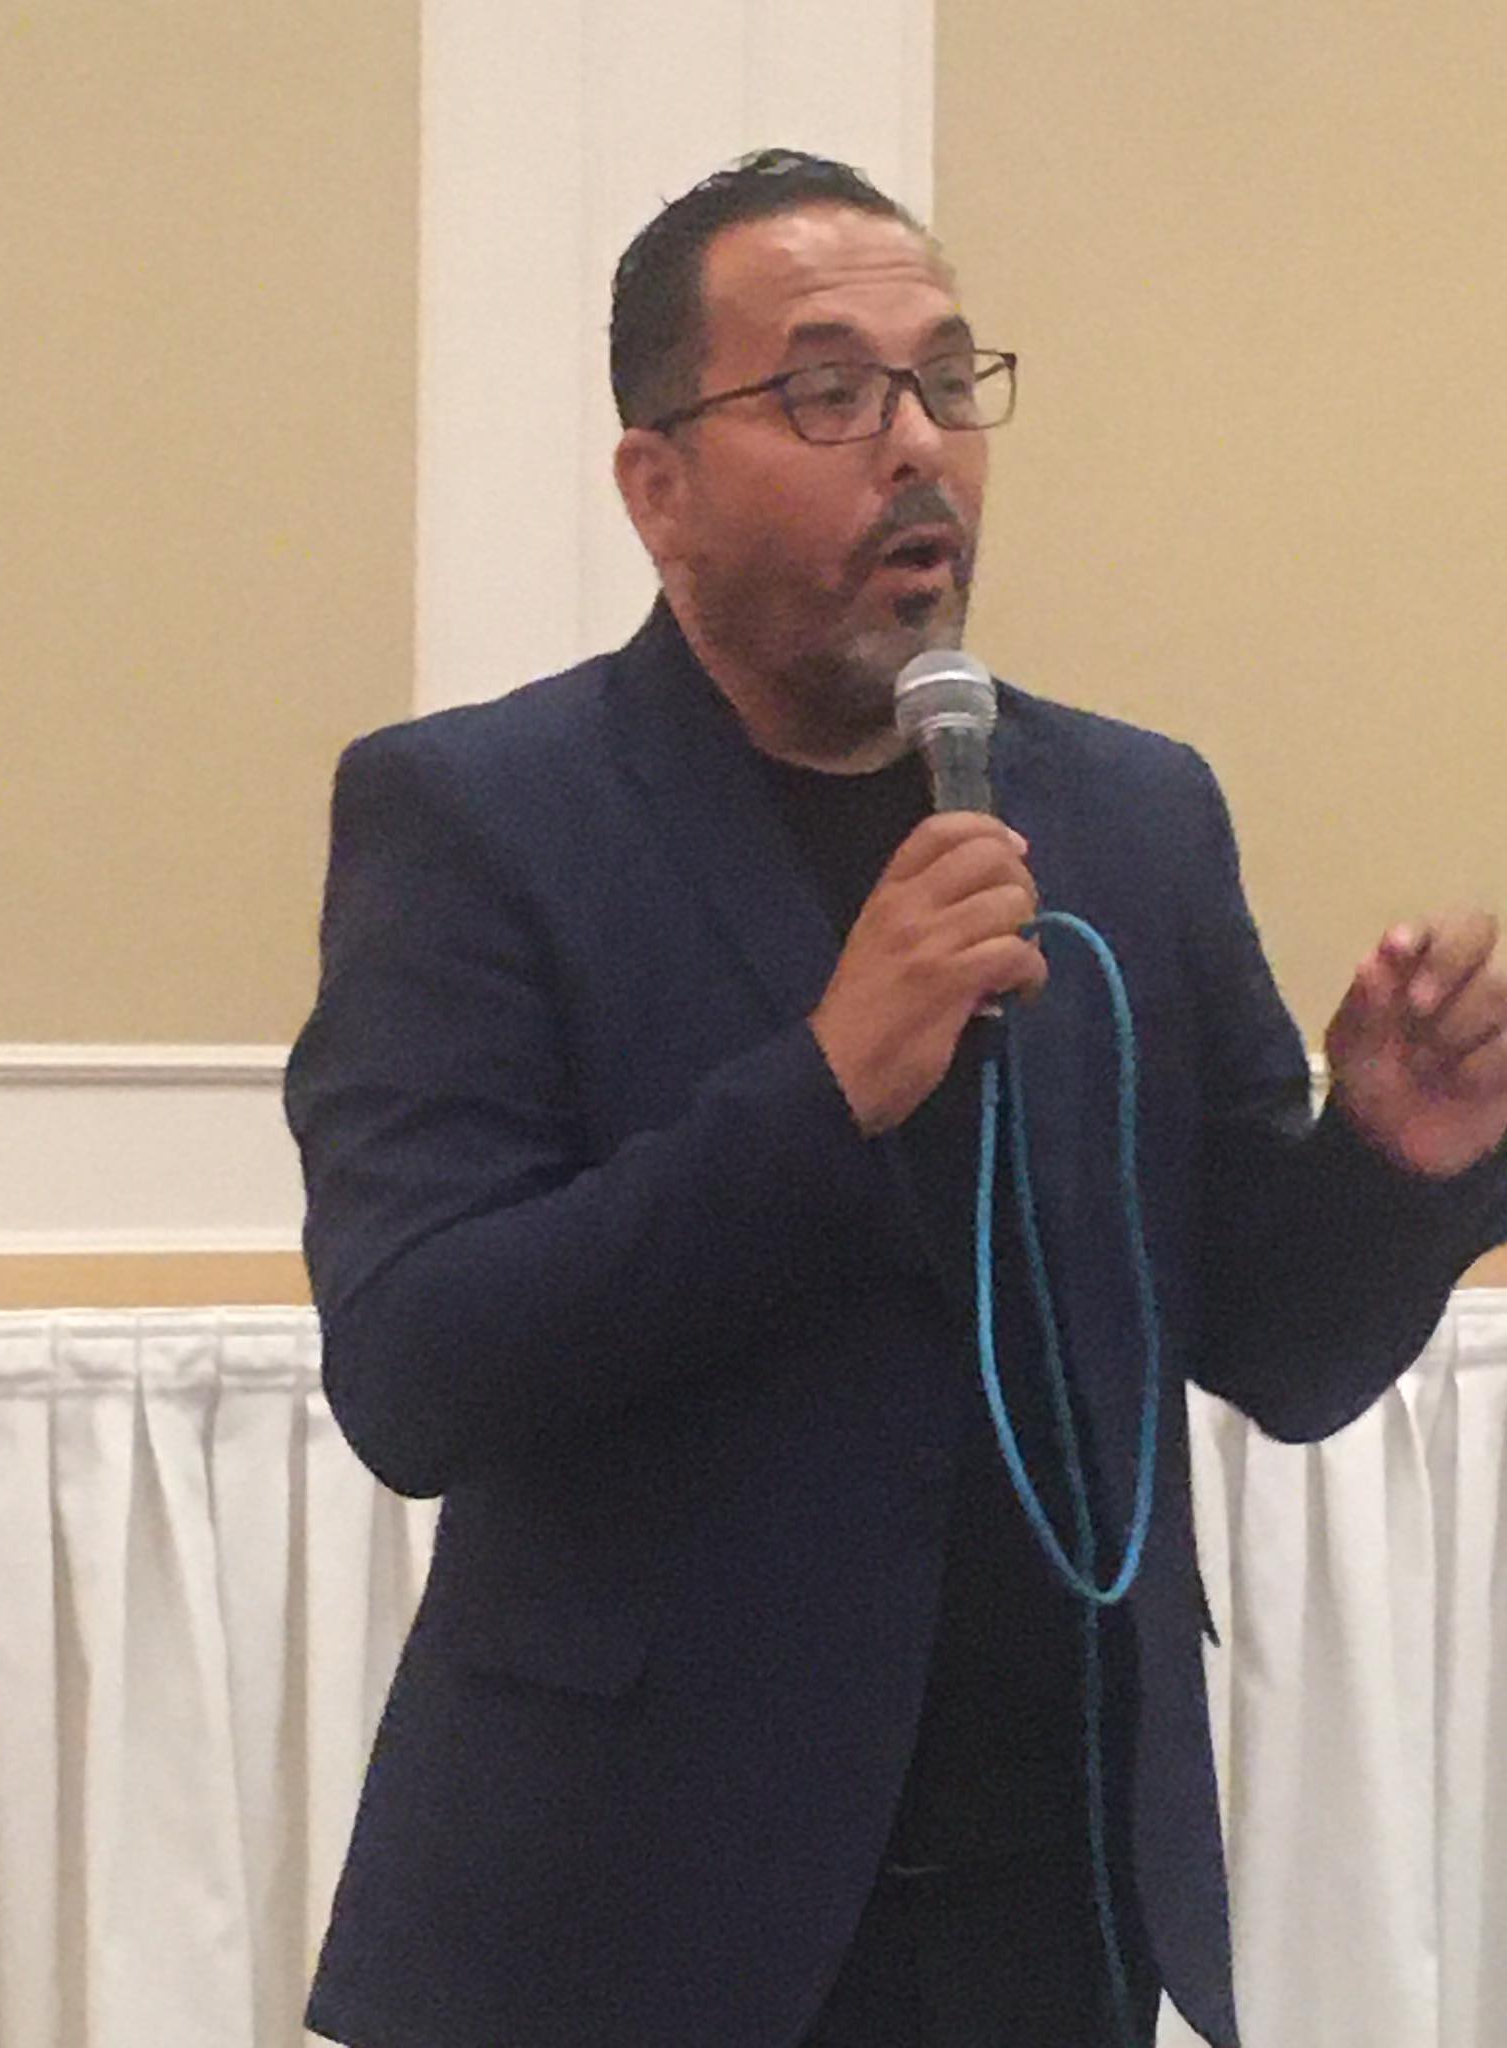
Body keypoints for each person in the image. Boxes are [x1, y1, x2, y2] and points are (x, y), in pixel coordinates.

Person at [285, 150, 1507, 2048]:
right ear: (657, 487)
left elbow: (1279, 1347)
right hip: (625, 1923)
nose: (919, 443)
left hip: (1051, 1908)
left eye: (947, 381)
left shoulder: (1136, 813)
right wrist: (825, 1089)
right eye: (830, 391)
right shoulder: (479, 816)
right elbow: (417, 1370)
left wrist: (1399, 1167)